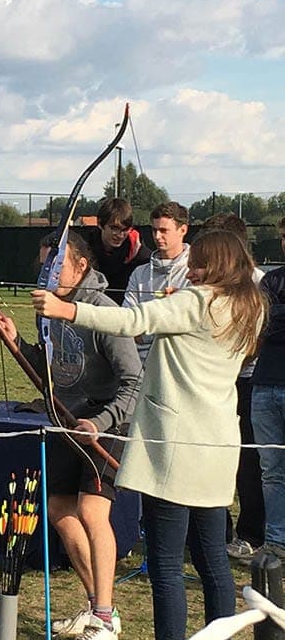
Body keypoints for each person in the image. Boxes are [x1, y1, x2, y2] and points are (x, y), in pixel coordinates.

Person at [32, 229, 265, 640]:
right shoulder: (248, 306)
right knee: (212, 561)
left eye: (198, 263)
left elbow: (131, 320)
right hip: (218, 449)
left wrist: (66, 309)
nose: (191, 269)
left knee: (166, 567)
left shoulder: (197, 302)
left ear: (215, 266)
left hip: (175, 453)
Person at [0, 231, 140, 640]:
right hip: (66, 418)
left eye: (55, 264)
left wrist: (101, 422)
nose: (47, 273)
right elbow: (51, 372)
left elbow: (134, 379)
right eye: (43, 266)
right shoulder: (51, 313)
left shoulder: (103, 311)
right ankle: (99, 607)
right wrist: (17, 342)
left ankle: (105, 618)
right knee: (59, 509)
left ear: (80, 266)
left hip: (104, 423)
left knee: (94, 510)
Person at [200, 213, 265, 562]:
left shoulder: (257, 281)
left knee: (249, 460)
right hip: (214, 380)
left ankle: (251, 533)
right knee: (210, 452)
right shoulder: (206, 284)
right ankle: (217, 530)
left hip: (250, 380)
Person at [250, 216, 285, 564]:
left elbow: (269, 322)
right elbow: (257, 323)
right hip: (264, 384)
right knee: (271, 468)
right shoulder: (271, 280)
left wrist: (274, 320)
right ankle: (275, 541)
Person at [123, 202, 191, 363]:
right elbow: (128, 325)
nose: (157, 236)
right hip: (141, 366)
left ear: (183, 230)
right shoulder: (140, 274)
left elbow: (188, 329)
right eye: (154, 230)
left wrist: (145, 328)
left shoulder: (195, 272)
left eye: (164, 231)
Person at [86, 197, 151, 296]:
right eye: (114, 228)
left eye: (125, 229)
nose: (120, 235)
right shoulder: (85, 250)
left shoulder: (142, 257)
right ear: (100, 224)